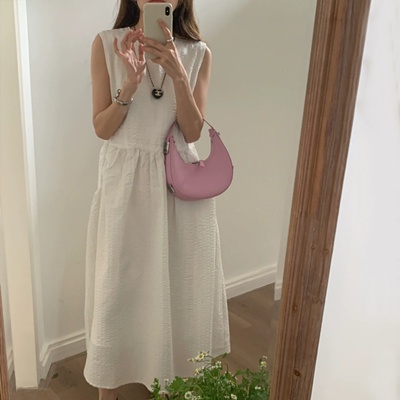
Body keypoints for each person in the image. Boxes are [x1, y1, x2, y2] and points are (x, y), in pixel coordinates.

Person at [83, 1, 231, 399]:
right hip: (125, 185)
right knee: (116, 288)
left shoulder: (198, 52)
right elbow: (102, 128)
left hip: (178, 186)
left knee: (178, 285)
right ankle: (109, 388)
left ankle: (170, 381)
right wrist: (129, 87)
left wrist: (179, 75)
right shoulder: (107, 44)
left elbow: (192, 132)